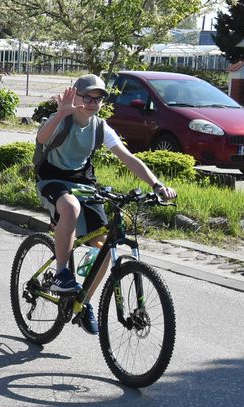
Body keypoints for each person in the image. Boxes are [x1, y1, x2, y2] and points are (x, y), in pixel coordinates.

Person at [35, 74, 176, 334]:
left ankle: (83, 302)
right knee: (70, 208)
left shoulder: (100, 127)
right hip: (52, 179)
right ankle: (62, 273)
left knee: (102, 248)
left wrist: (157, 185)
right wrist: (61, 113)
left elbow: (128, 158)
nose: (91, 102)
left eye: (97, 98)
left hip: (84, 183)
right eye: (86, 96)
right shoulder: (62, 119)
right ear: (74, 95)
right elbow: (42, 138)